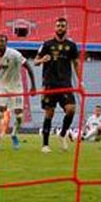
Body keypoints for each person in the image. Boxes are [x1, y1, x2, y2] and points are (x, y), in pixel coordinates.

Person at [0, 34, 36, 152]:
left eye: (2, 41)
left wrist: (33, 86)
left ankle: (14, 135)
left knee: (19, 117)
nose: (0, 43)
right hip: (2, 87)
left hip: (16, 87)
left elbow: (28, 67)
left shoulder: (14, 54)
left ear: (6, 42)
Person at [34, 17, 81, 153]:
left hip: (65, 83)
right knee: (49, 113)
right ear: (55, 28)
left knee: (71, 109)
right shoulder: (47, 44)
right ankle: (45, 144)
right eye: (58, 26)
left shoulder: (71, 46)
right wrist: (42, 59)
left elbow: (76, 63)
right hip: (49, 84)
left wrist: (80, 81)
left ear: (66, 28)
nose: (60, 28)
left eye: (63, 26)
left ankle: (62, 134)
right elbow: (35, 62)